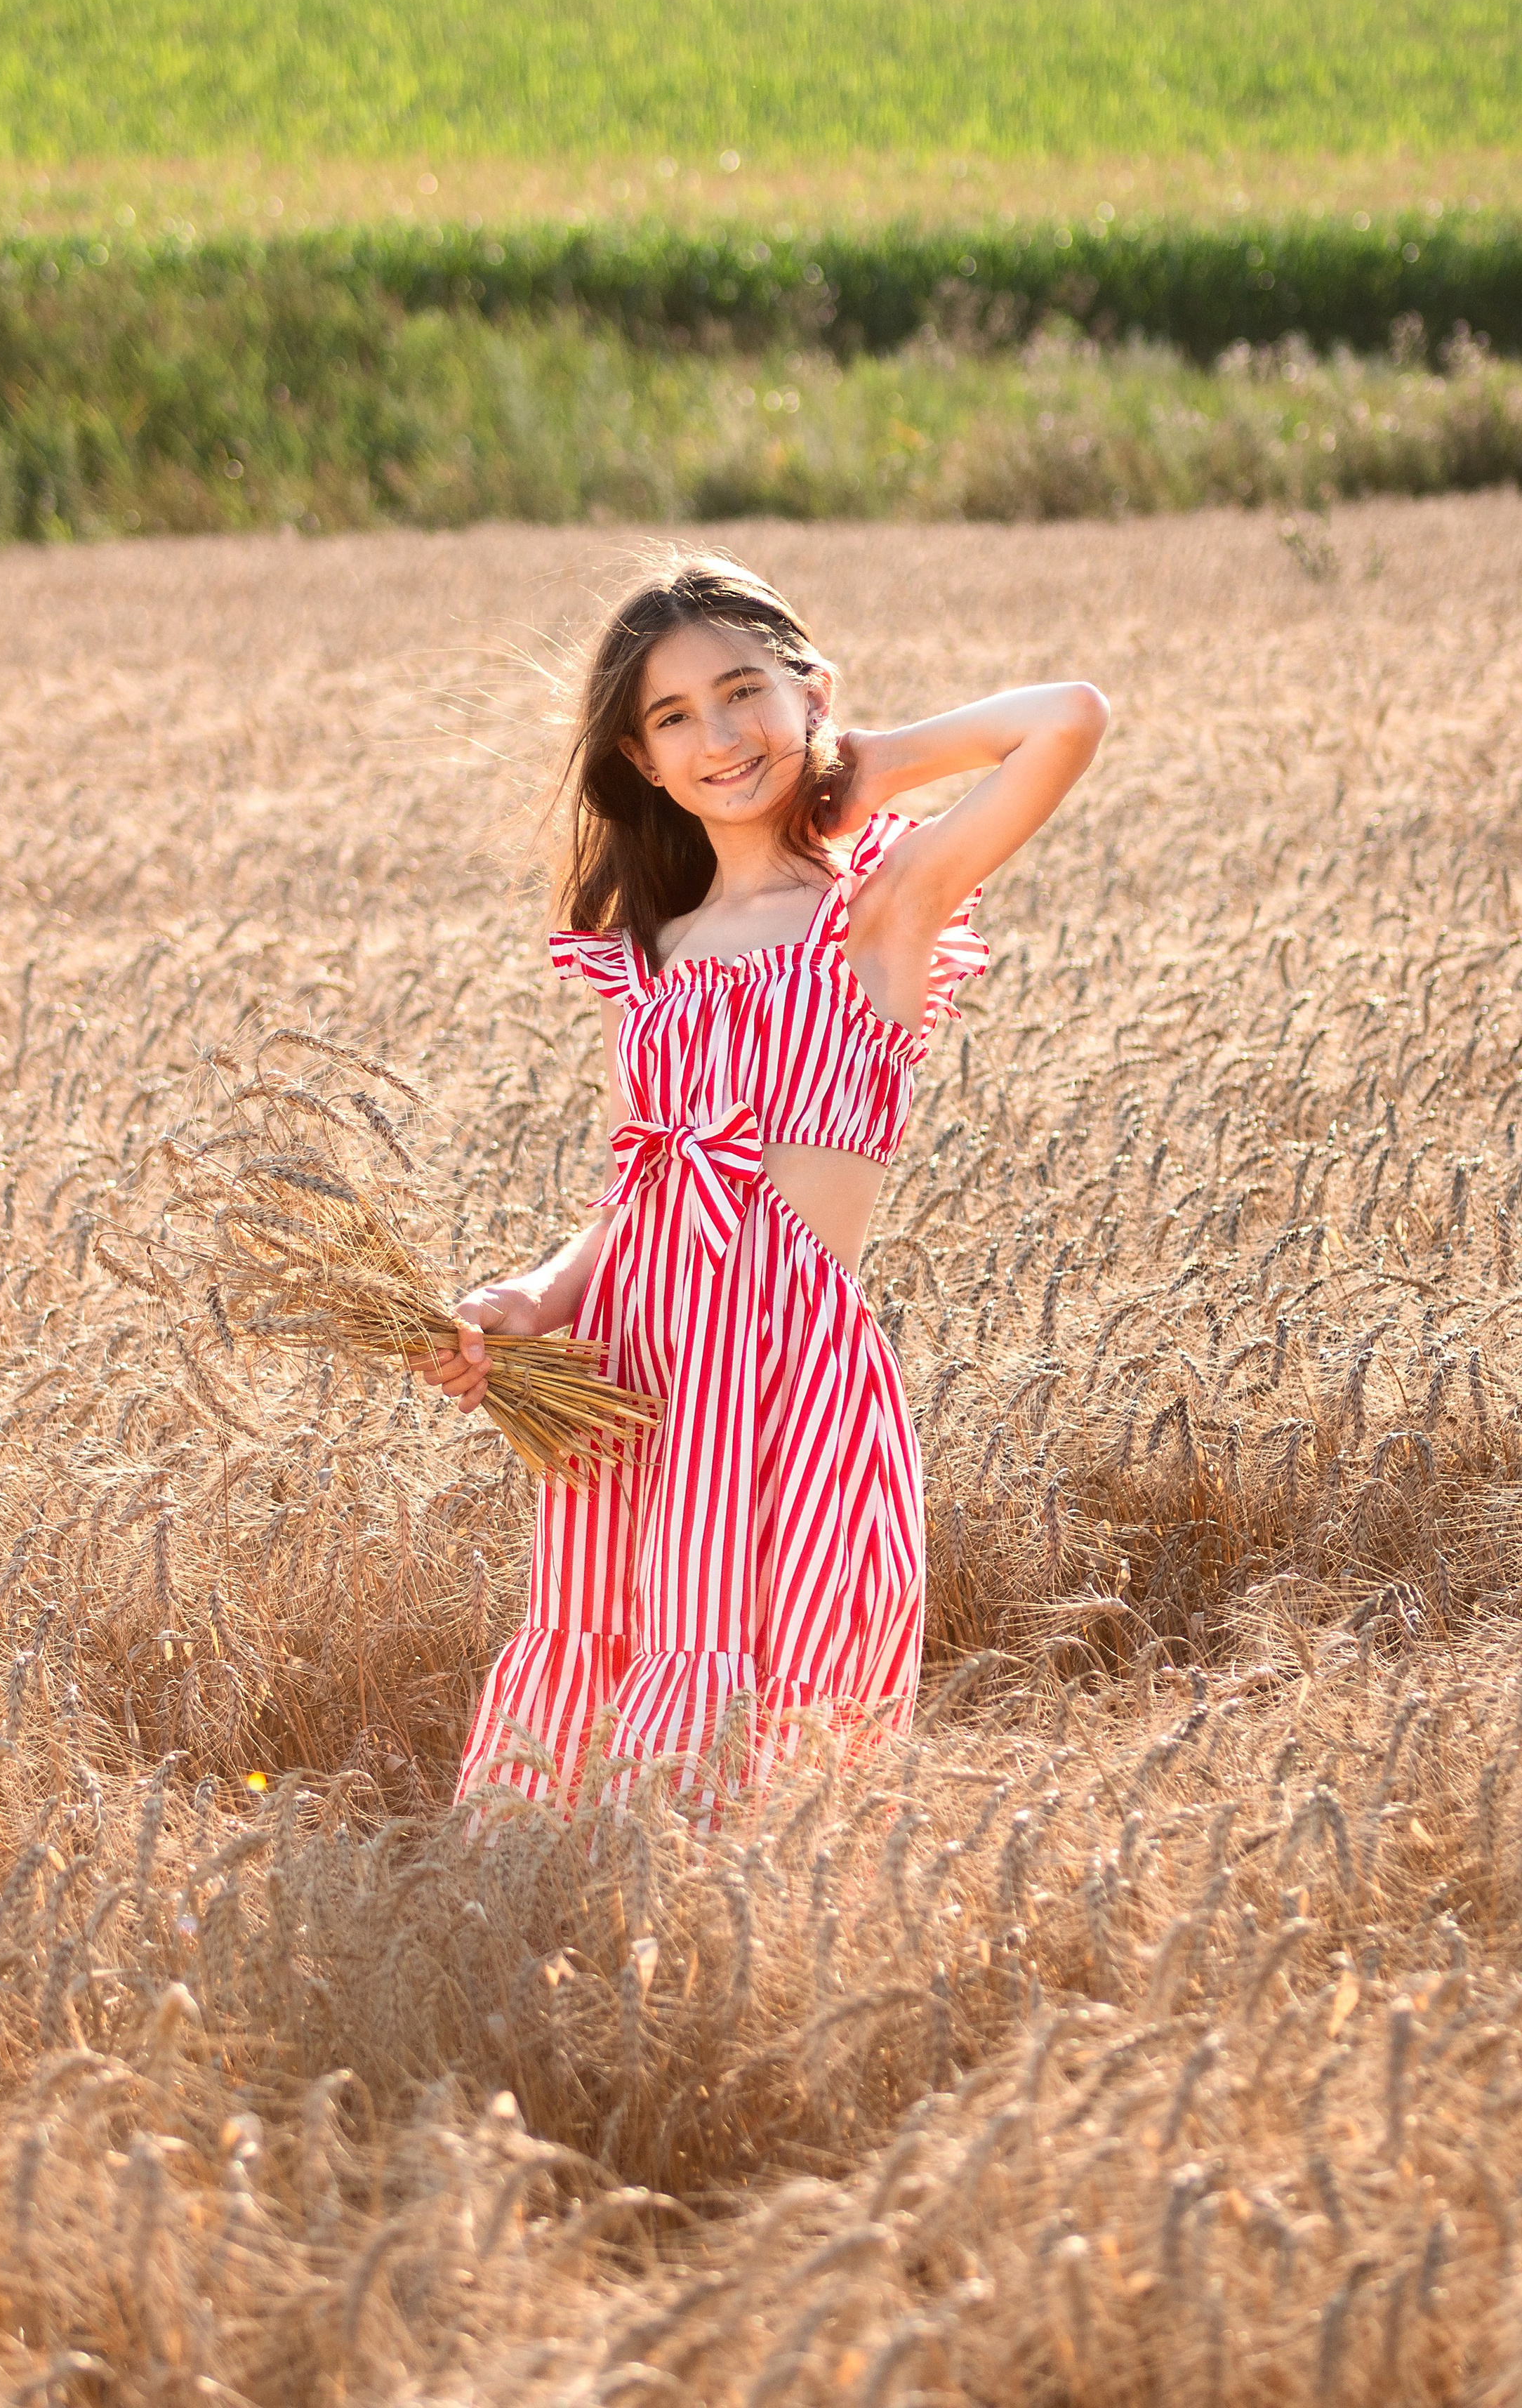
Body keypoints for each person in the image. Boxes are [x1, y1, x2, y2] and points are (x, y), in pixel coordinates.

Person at [420, 553, 1107, 1814]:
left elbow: (1069, 718)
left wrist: (865, 758)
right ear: (641, 760)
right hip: (636, 1381)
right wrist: (530, 1299)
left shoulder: (878, 912)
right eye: (675, 717)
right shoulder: (654, 954)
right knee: (611, 1687)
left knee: (770, 1702)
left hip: (787, 1382)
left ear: (807, 694)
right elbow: (647, 1194)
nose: (720, 736)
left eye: (745, 694)